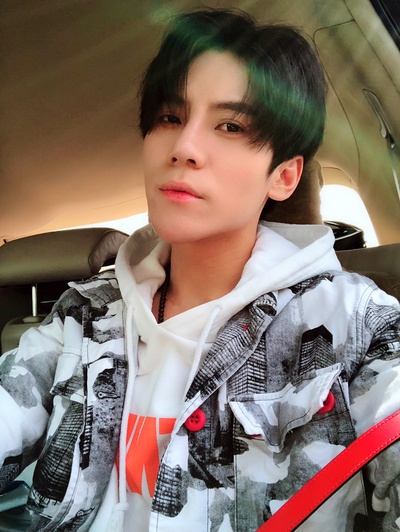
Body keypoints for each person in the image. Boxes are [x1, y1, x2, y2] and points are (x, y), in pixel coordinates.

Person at [0, 8, 399, 532]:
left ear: (283, 176)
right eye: (170, 117)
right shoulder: (86, 314)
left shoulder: (357, 325)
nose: (183, 148)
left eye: (230, 126)